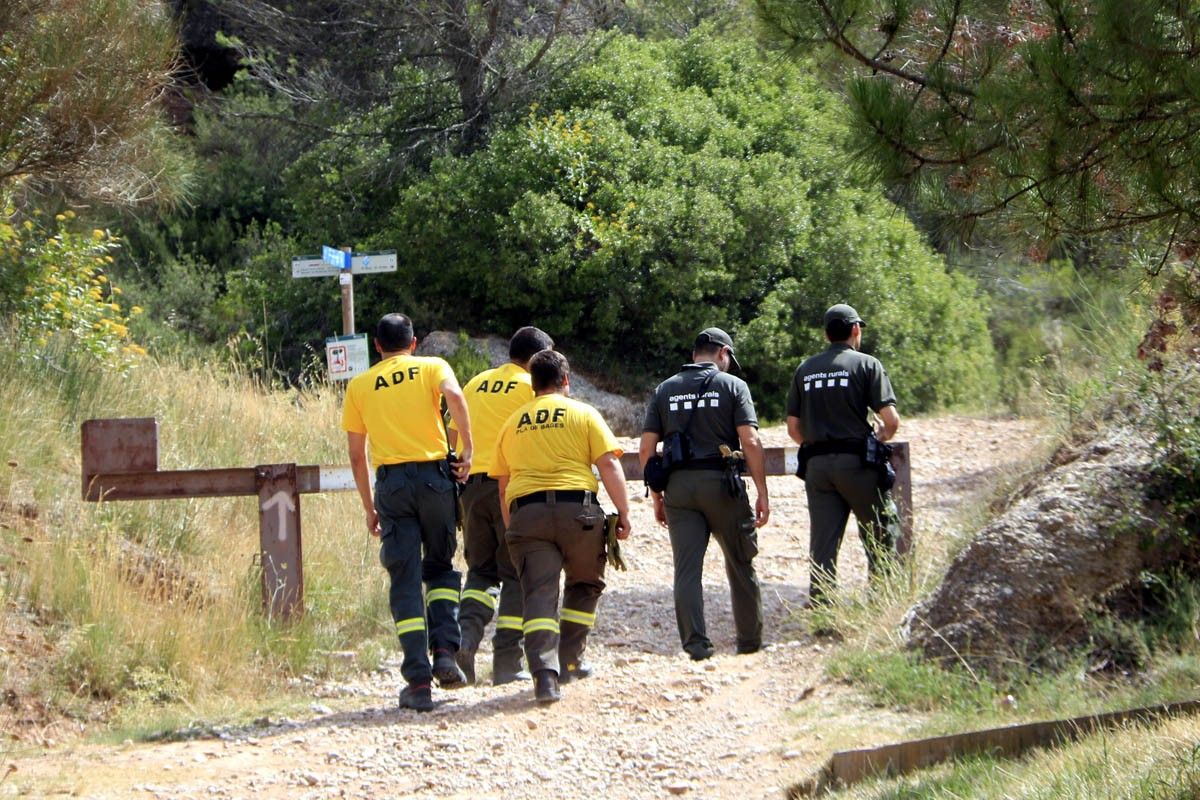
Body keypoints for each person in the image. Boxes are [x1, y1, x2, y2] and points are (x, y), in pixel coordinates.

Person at [342, 313, 473, 712]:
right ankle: (446, 652)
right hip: (435, 479)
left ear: (377, 348)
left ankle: (418, 681)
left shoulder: (360, 385)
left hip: (393, 485)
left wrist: (369, 507)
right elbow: (455, 397)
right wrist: (468, 449)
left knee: (405, 577)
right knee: (440, 567)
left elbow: (355, 454)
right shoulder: (433, 366)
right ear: (414, 343)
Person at [491, 350, 631, 704]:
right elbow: (609, 466)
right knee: (585, 583)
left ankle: (544, 678)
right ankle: (570, 660)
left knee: (539, 593)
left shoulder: (512, 423)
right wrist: (623, 512)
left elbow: (503, 485)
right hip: (578, 514)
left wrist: (514, 529)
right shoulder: (584, 413)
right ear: (565, 381)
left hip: (527, 517)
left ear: (532, 385)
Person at [639, 327, 770, 661]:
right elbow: (751, 441)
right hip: (721, 484)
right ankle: (749, 641)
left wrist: (657, 496)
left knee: (686, 570)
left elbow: (646, 449)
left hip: (679, 488)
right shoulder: (733, 386)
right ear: (723, 353)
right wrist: (762, 492)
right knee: (740, 562)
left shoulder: (665, 389)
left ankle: (696, 646)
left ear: (694, 354)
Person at [447, 326, 554, 686]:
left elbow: (452, 435)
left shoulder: (475, 383)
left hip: (472, 489)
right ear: (538, 359)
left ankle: (464, 642)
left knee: (480, 573)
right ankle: (508, 662)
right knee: (516, 573)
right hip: (510, 488)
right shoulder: (531, 388)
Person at [785, 303, 901, 605]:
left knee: (823, 542)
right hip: (857, 463)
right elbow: (891, 421)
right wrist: (880, 436)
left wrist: (816, 446)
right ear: (855, 330)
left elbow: (793, 428)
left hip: (818, 468)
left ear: (826, 334)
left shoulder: (805, 369)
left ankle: (823, 611)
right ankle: (881, 603)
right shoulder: (867, 365)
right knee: (879, 532)